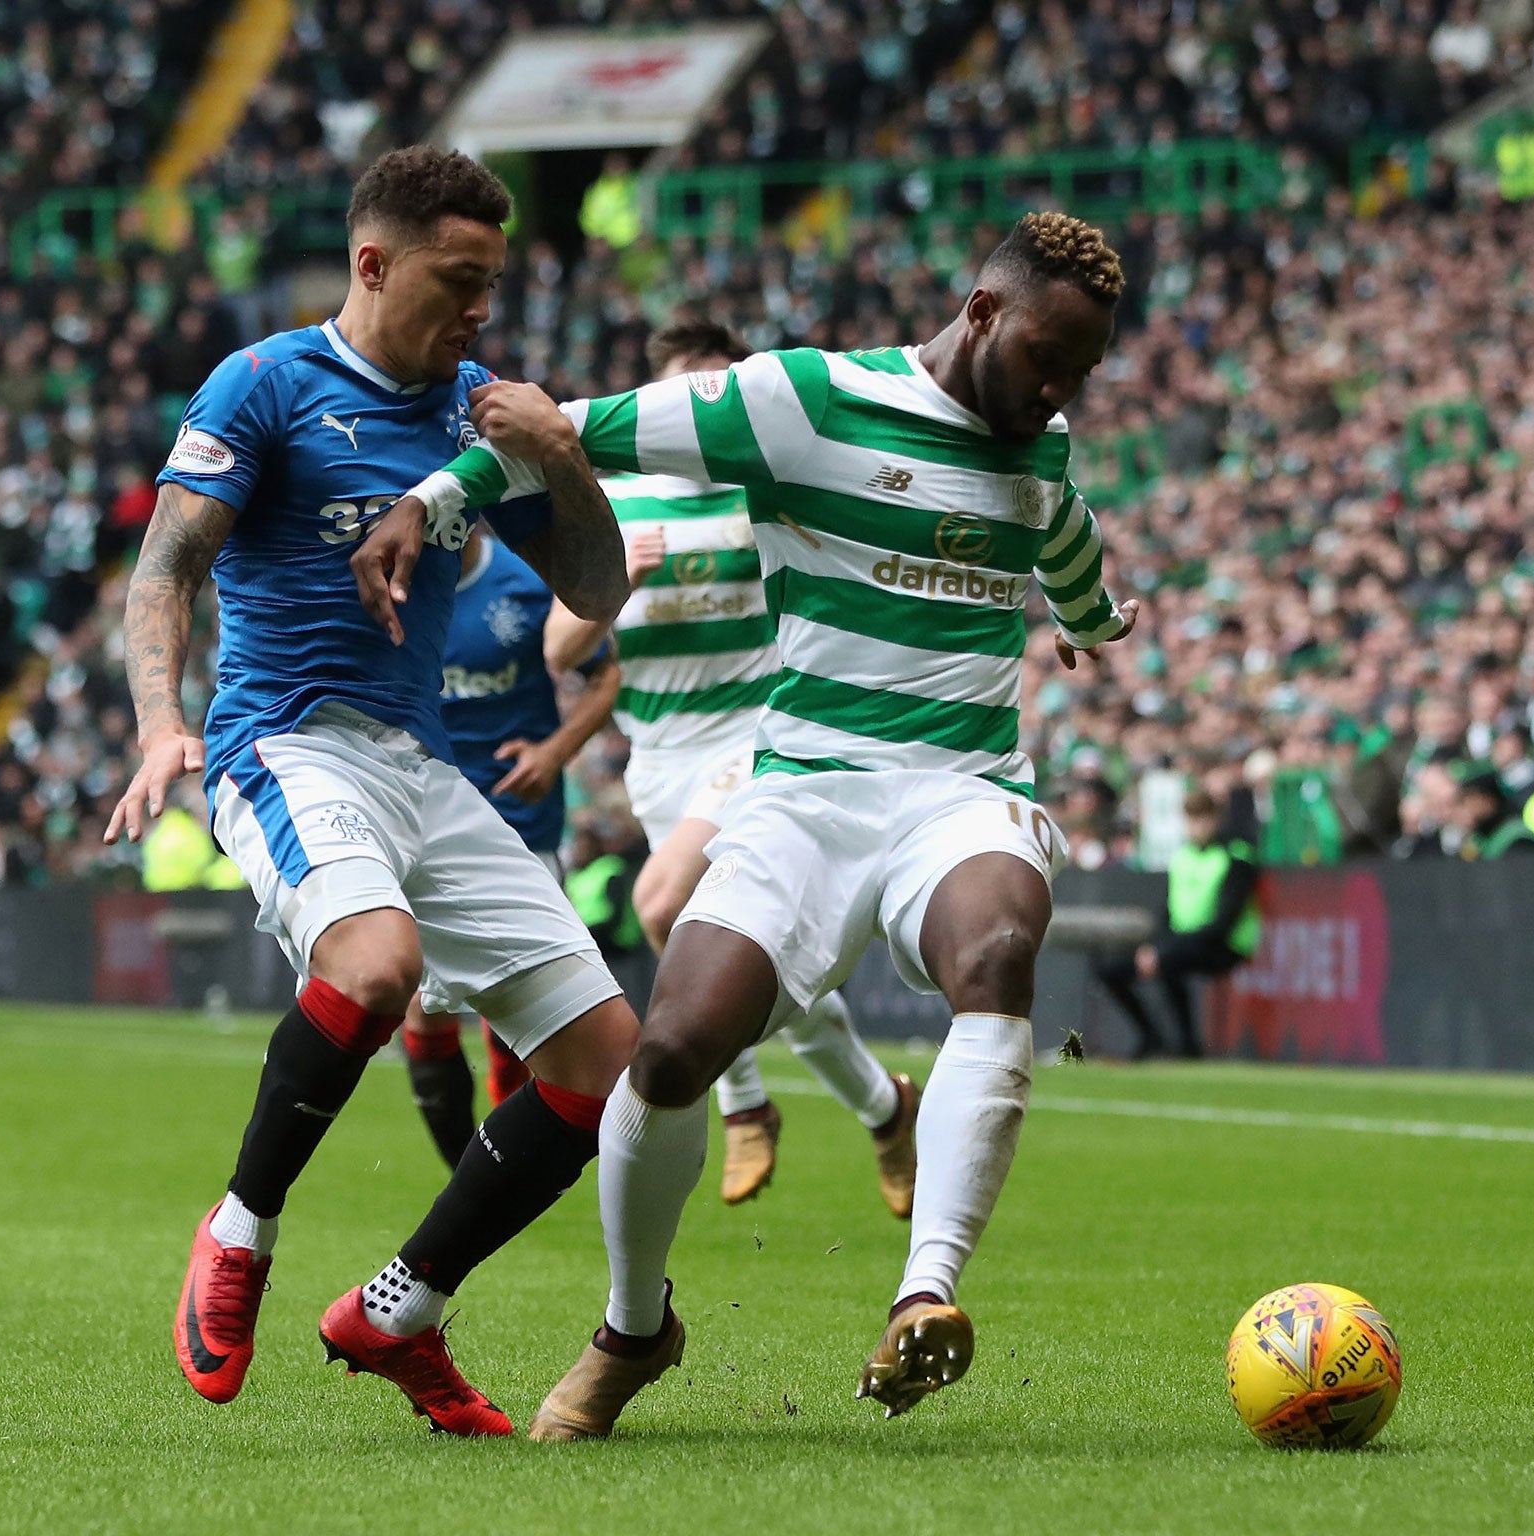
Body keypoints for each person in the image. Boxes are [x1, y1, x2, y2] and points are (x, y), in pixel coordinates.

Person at [373, 211, 1141, 1436]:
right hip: (804, 796)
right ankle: (635, 1327)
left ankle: (921, 1298)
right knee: (670, 1051)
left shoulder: (1038, 450)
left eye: (1080, 372)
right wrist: (439, 495)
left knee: (995, 953)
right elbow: (563, 432)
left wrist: (1097, 620)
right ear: (981, 312)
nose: (1057, 390)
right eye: (1046, 355)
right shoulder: (804, 403)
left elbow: (1068, 553)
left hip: (961, 791)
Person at [101, 146, 635, 1437]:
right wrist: (162, 722)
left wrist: (556, 457)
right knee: (378, 965)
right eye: (459, 279)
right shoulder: (266, 384)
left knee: (605, 1060)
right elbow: (167, 568)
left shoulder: (475, 412)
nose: (480, 309)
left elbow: (601, 594)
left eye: (494, 282)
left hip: (419, 766)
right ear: (372, 262)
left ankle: (399, 1311)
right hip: (286, 743)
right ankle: (239, 1230)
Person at [542, 320, 920, 1214]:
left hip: (759, 738)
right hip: (661, 762)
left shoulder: (772, 488)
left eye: (726, 394)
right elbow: (560, 650)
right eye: (690, 396)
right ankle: (884, 1103)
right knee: (745, 958)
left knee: (662, 903)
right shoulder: (615, 500)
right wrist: (610, 587)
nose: (710, 416)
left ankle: (745, 1101)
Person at [402, 519, 623, 1165]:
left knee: (519, 1008)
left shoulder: (525, 583)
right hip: (421, 826)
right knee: (425, 1009)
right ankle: (462, 1173)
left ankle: (507, 1162)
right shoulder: (393, 583)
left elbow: (605, 675)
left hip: (519, 826)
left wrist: (555, 753)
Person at [1094, 789, 1259, 1058]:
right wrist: (1153, 947)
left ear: (1217, 819)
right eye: (1193, 819)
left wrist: (1161, 951)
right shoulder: (1183, 857)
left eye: (1204, 818)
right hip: (1181, 942)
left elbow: (1223, 923)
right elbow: (1168, 913)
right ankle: (1151, 1036)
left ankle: (1187, 1046)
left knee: (1168, 961)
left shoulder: (1236, 857)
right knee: (1110, 967)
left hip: (1224, 946)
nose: (1199, 827)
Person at [1448, 761, 1534, 859]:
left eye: (1464, 802)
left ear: (1487, 800)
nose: (1459, 812)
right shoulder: (1477, 843)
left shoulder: (1516, 839)